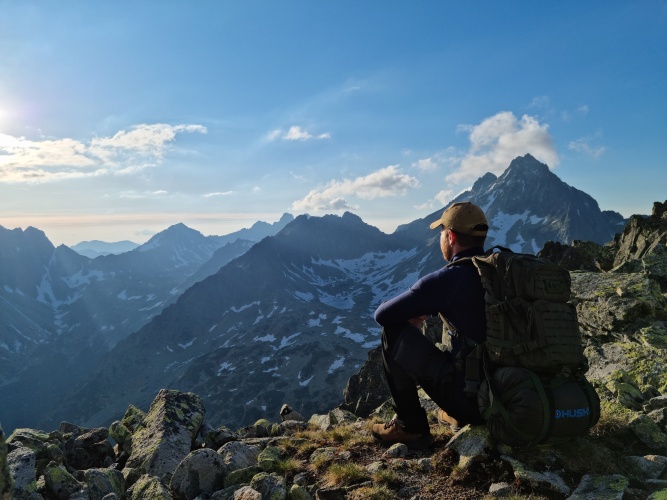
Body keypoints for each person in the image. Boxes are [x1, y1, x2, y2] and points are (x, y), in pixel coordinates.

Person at [371, 201, 489, 449]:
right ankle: (458, 412)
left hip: (477, 402)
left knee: (392, 332)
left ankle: (410, 426)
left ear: (451, 236)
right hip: (515, 394)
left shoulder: (449, 279)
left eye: (441, 233)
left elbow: (382, 314)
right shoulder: (500, 271)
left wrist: (413, 321)